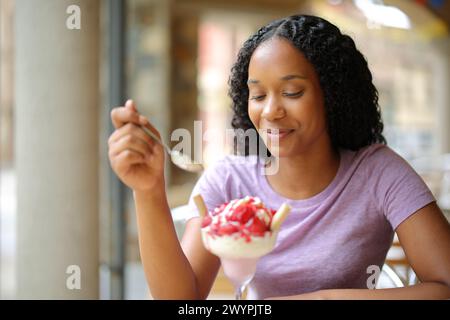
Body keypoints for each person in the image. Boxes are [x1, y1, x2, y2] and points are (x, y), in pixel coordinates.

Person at [108, 15, 450, 299]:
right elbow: (181, 302)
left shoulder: (379, 172)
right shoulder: (230, 180)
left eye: (292, 92)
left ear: (332, 94)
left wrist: (327, 299)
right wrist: (148, 190)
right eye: (257, 95)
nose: (270, 111)